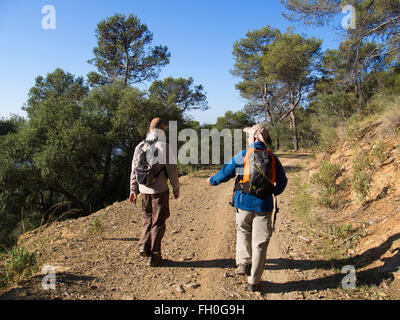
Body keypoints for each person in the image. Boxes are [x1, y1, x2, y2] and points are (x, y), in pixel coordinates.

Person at [207, 124, 287, 292]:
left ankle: (243, 262)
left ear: (254, 138)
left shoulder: (245, 154)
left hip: (243, 203)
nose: (247, 138)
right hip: (264, 205)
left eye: (249, 135)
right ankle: (254, 282)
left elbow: (226, 172)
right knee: (260, 243)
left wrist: (212, 180)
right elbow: (283, 181)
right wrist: (273, 192)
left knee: (243, 230)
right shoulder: (273, 157)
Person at [129, 118, 179, 267]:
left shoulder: (140, 146)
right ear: (162, 131)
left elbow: (134, 170)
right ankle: (155, 256)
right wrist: (176, 188)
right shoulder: (164, 147)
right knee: (158, 222)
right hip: (159, 191)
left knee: (147, 217)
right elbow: (172, 171)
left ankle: (144, 244)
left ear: (149, 129)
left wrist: (133, 190)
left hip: (144, 190)